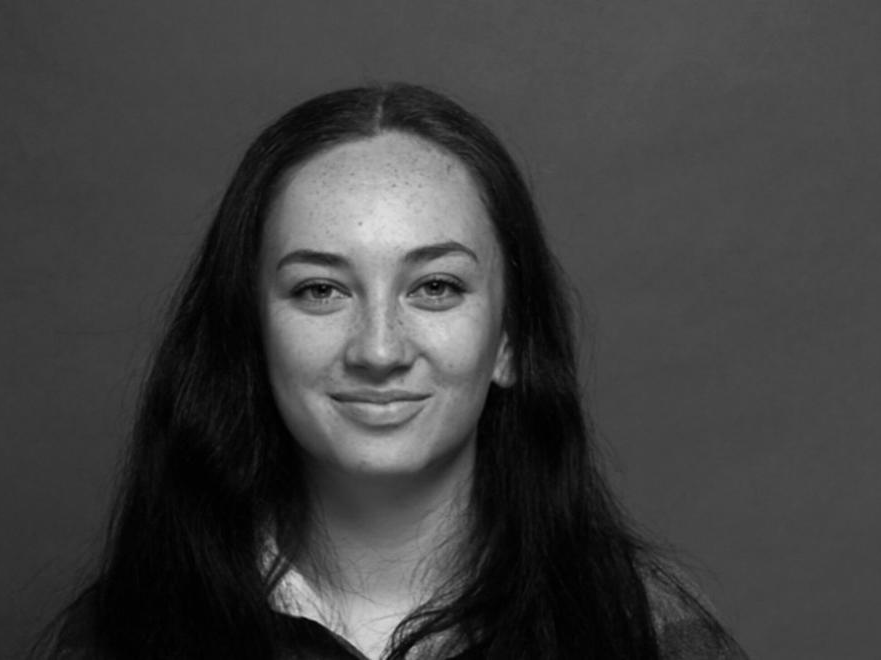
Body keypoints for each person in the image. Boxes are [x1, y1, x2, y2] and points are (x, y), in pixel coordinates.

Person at [39, 83, 746, 659]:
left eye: (435, 287)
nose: (378, 350)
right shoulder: (119, 637)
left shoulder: (649, 632)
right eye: (320, 290)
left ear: (511, 340)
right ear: (252, 337)